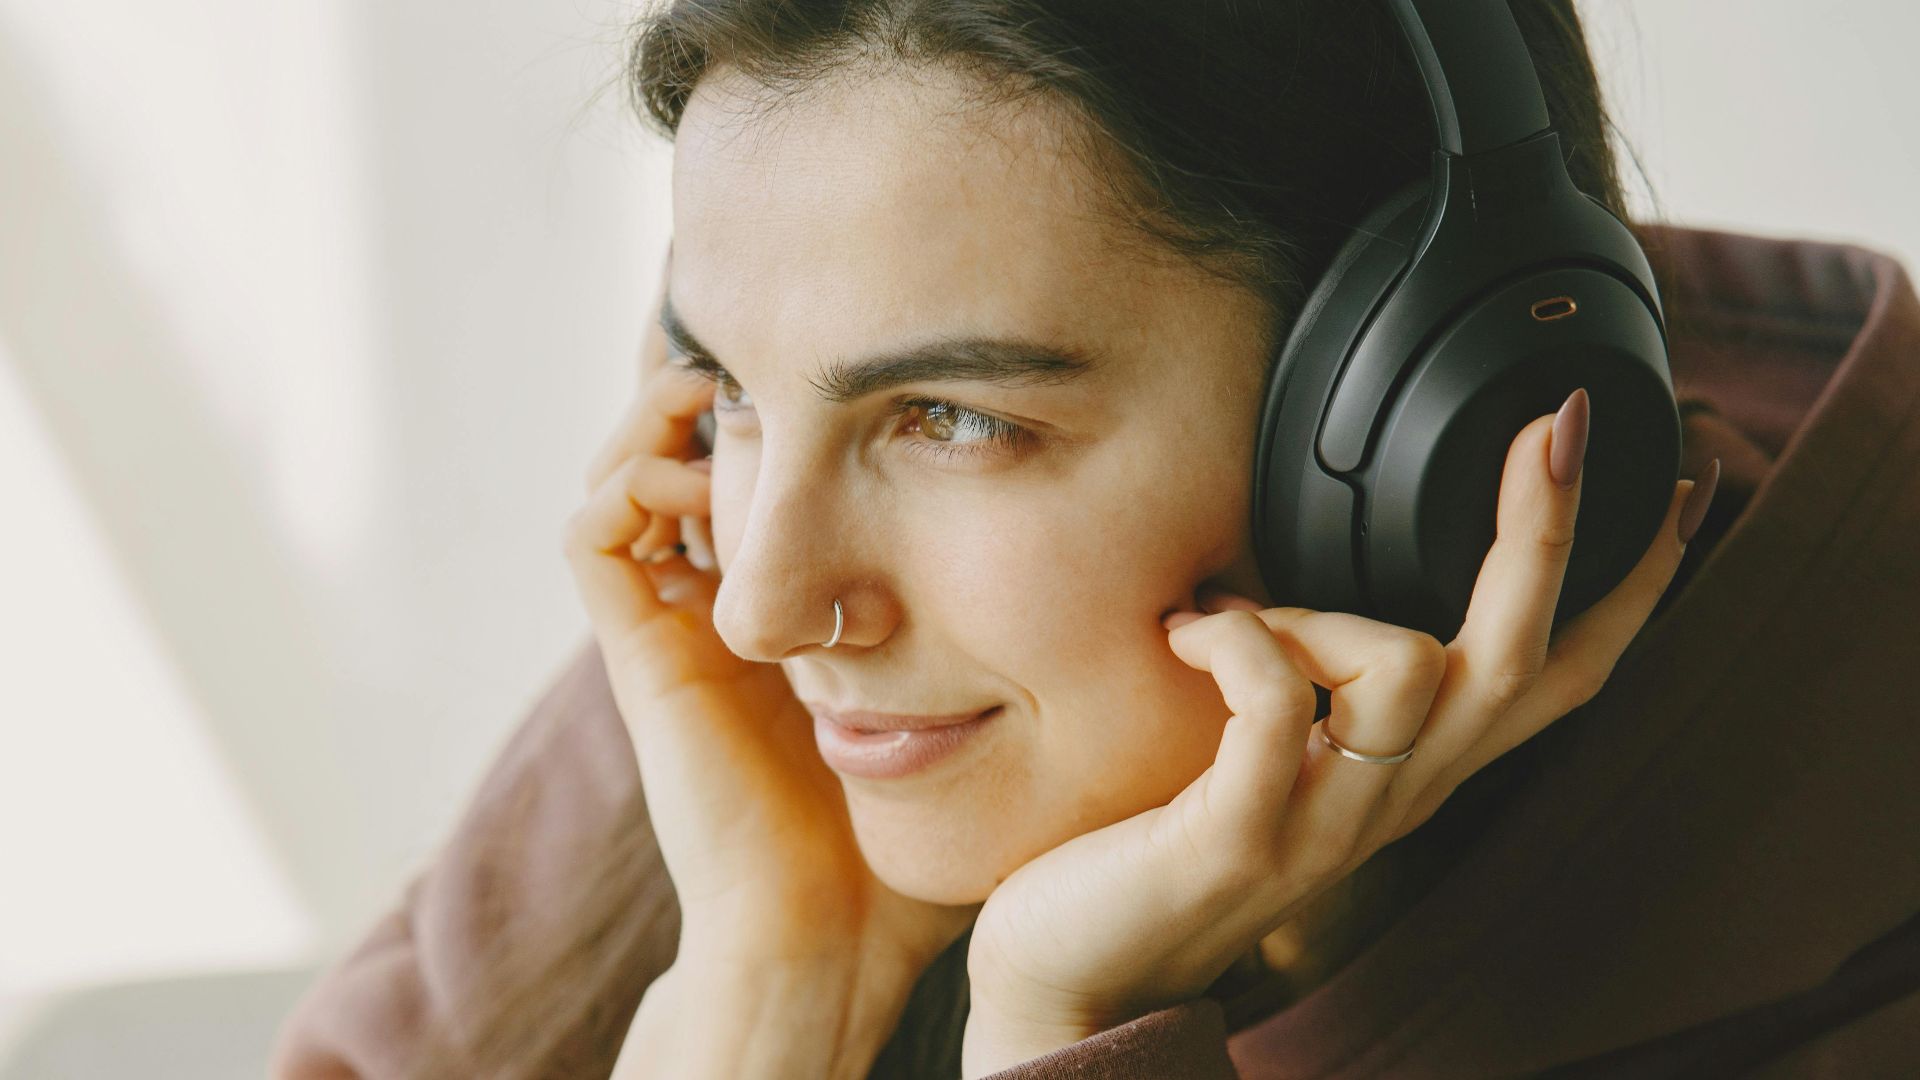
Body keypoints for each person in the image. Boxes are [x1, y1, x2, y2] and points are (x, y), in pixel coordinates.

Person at [270, 2, 1920, 1077]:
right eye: (730, 386)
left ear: (1416, 444)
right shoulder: (789, 691)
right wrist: (763, 993)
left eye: (952, 420)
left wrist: (1065, 1029)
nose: (768, 603)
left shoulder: (1840, 923)